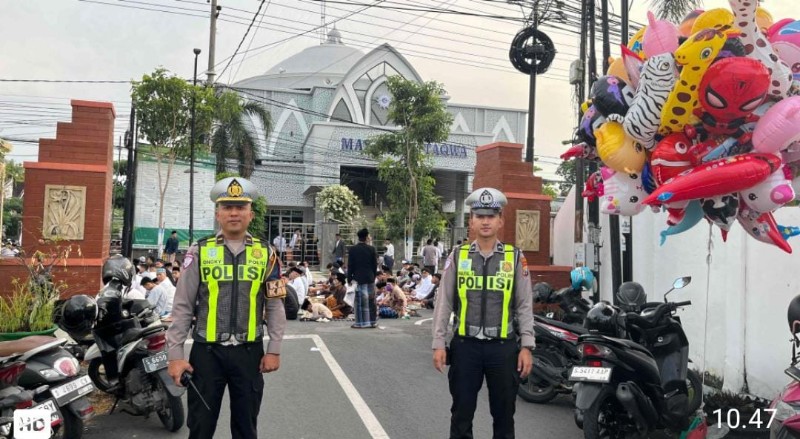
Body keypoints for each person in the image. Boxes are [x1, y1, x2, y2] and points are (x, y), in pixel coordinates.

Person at [166, 177, 285, 439]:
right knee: (200, 427)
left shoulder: (267, 254)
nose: (234, 212)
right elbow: (183, 305)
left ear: (250, 214)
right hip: (206, 355)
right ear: (217, 213)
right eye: (227, 207)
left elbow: (275, 305)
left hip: (249, 354)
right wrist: (175, 355)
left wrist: (274, 349)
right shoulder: (199, 251)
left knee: (246, 428)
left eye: (240, 207)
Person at [432, 187, 534, 439]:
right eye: (480, 216)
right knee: (461, 414)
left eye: (491, 216)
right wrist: (439, 343)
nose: (485, 221)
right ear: (471, 221)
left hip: (503, 349)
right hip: (465, 348)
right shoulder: (458, 256)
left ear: (500, 221)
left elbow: (524, 304)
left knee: (503, 415)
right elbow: (443, 301)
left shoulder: (514, 257)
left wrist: (527, 346)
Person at [347, 228, 377, 328]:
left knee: (360, 302)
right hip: (370, 278)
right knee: (371, 301)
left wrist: (349, 278)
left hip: (358, 278)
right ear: (366, 237)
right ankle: (372, 322)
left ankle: (360, 323)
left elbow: (350, 265)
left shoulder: (353, 249)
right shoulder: (372, 249)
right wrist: (373, 276)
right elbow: (374, 265)